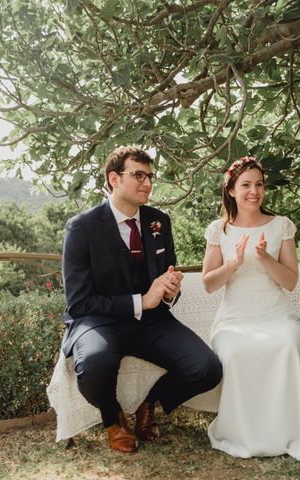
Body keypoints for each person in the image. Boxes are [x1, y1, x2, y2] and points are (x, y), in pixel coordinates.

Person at [61, 146, 222, 453]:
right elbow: (79, 303)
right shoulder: (81, 228)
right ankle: (113, 419)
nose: (147, 183)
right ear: (114, 179)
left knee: (208, 368)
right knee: (93, 365)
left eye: (150, 176)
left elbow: (165, 277)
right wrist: (141, 301)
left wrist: (171, 290)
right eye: (138, 175)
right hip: (100, 323)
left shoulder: (159, 221)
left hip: (153, 322)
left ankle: (149, 403)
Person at [201, 156, 300, 462]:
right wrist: (233, 264)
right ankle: (244, 433)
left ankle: (289, 431)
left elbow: (291, 282)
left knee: (288, 344)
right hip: (234, 318)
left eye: (259, 185)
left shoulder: (281, 225)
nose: (253, 191)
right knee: (234, 352)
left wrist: (266, 258)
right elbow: (209, 284)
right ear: (231, 190)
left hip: (275, 314)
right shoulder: (219, 230)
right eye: (246, 185)